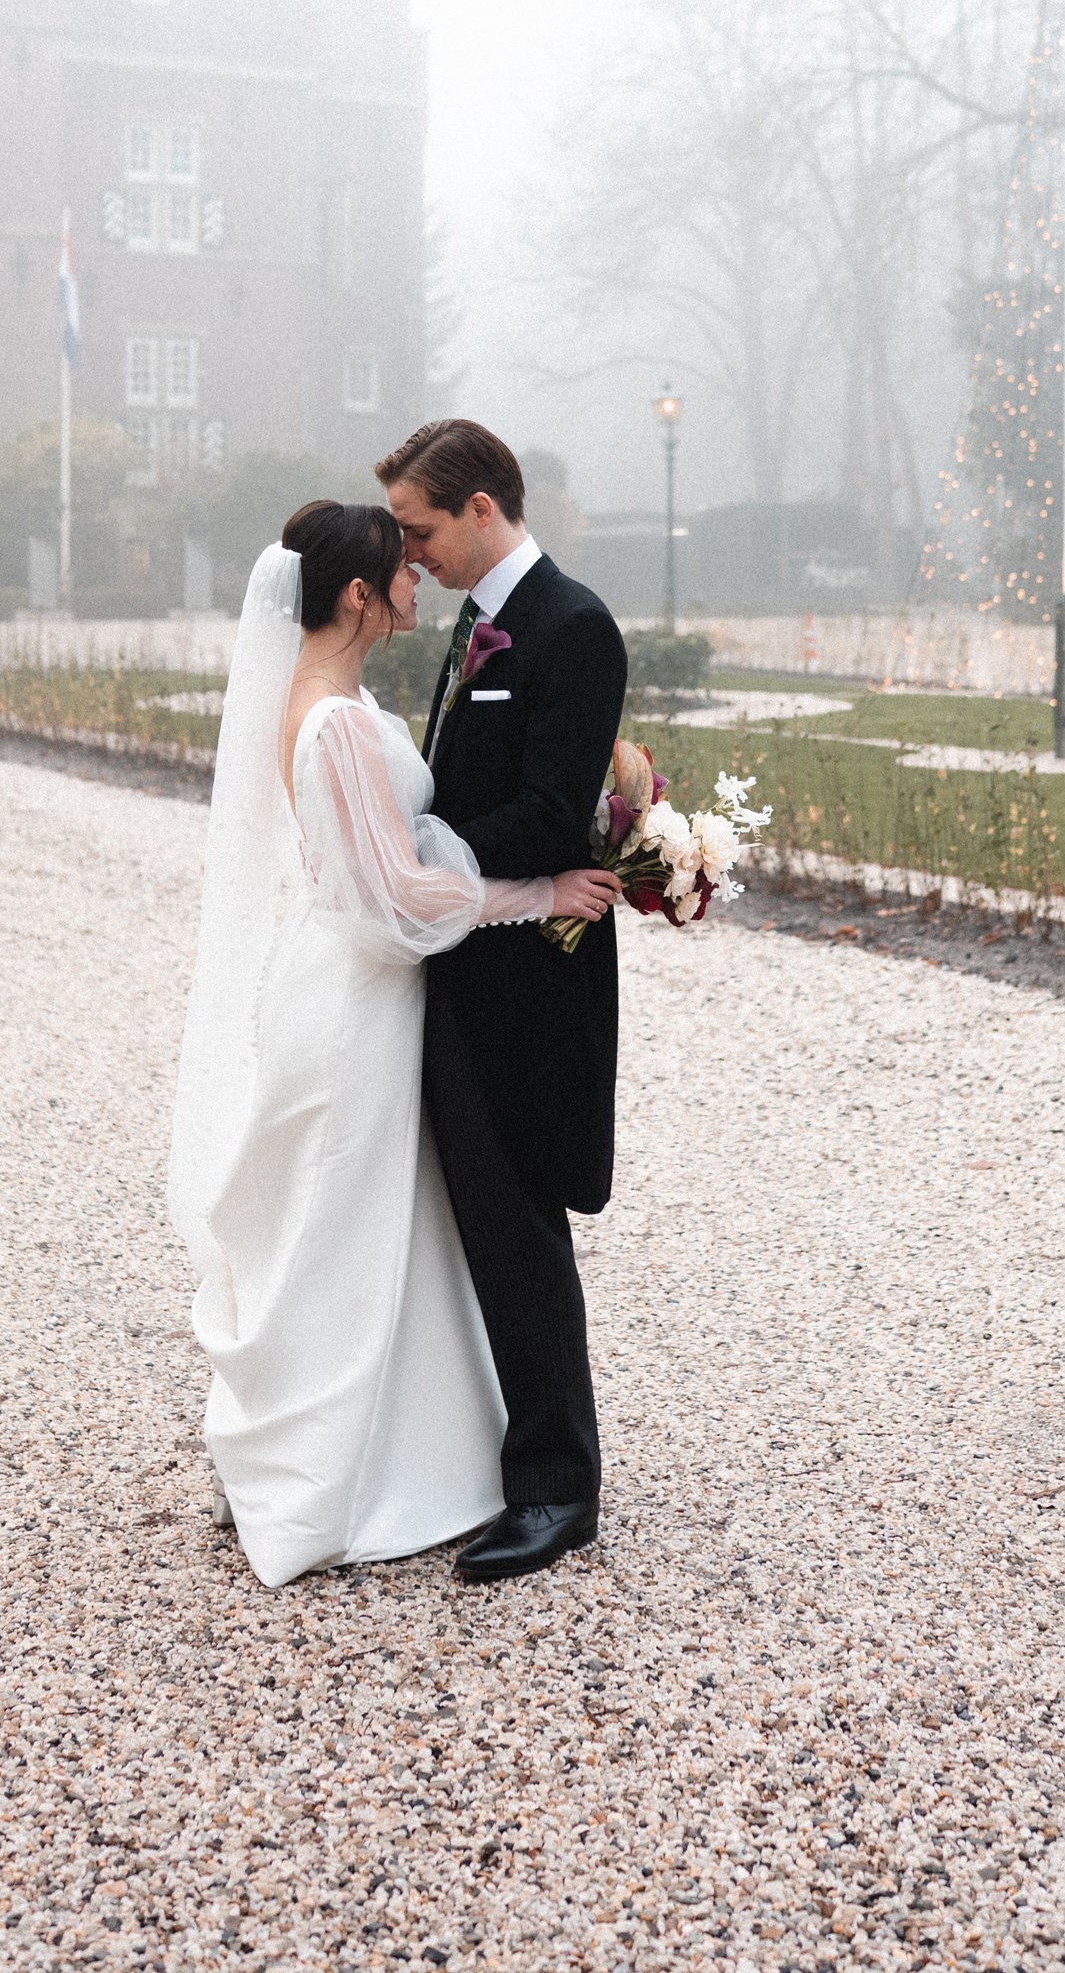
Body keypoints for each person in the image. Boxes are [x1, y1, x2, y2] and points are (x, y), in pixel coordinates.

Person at [167, 499, 619, 1590]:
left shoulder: (340, 699)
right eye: (400, 567)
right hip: (360, 995)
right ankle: (313, 1469)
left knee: (372, 1227)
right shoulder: (327, 719)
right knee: (336, 1223)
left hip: (375, 990)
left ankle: (375, 1448)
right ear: (360, 597)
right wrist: (540, 890)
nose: (420, 575)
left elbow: (404, 842)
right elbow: (397, 897)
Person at [376, 421, 627, 1583]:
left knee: (523, 1231)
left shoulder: (572, 627)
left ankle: (557, 1487)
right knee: (475, 1224)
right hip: (455, 966)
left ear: (482, 507)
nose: (409, 553)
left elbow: (544, 813)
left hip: (528, 986)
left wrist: (399, 849)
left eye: (420, 528)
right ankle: (493, 1453)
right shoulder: (478, 628)